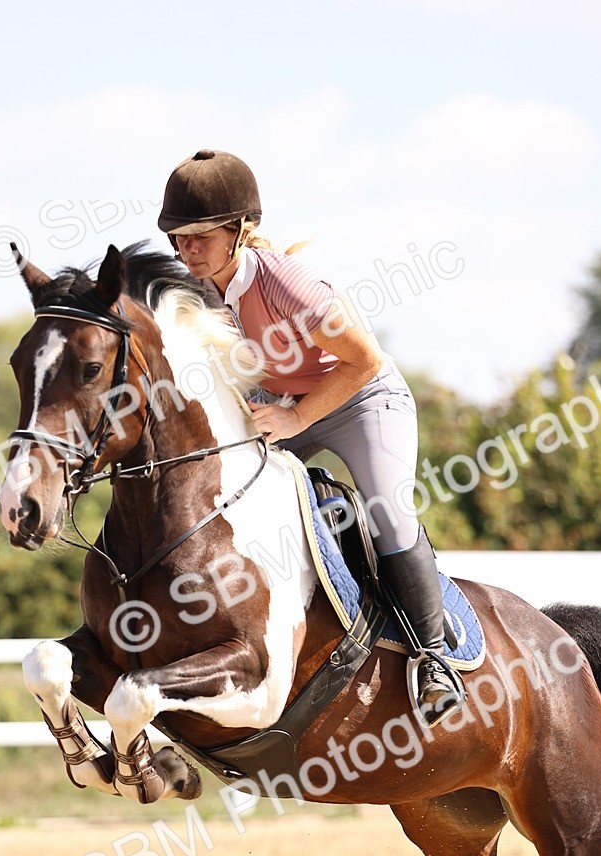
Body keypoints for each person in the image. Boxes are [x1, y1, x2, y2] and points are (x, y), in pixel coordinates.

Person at [158, 148, 461, 726]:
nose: (187, 249)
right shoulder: (196, 291)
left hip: (364, 398)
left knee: (388, 515)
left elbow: (364, 362)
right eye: (180, 237)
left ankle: (433, 659)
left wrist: (296, 421)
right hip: (287, 405)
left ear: (240, 231)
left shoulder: (286, 282)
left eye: (200, 236)